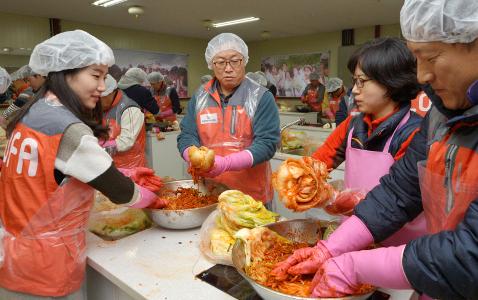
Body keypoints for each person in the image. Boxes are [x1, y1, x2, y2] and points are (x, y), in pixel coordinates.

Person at [273, 1, 478, 299]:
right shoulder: (440, 117)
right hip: (430, 280)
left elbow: (469, 254)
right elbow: (399, 194)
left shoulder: (413, 124)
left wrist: (355, 266)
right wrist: (329, 249)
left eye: (431, 57)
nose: (422, 76)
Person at [0, 30, 164, 299]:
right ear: (66, 73)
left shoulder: (33, 112)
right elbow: (122, 193)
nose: (103, 86)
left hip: (15, 257)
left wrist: (124, 171)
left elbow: (58, 171)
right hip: (47, 265)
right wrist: (155, 200)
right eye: (96, 75)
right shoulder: (67, 127)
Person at [311, 37, 424, 245]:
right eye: (355, 81)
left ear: (391, 82)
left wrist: (337, 200)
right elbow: (316, 165)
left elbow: (399, 200)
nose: (354, 90)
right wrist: (300, 178)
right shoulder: (352, 126)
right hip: (351, 238)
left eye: (361, 81)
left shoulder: (414, 133)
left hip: (395, 248)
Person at [177, 33, 280, 204]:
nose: (228, 68)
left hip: (251, 197)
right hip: (209, 193)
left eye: (234, 60)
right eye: (221, 62)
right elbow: (187, 135)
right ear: (212, 64)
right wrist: (192, 155)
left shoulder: (261, 97)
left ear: (244, 61)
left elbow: (267, 144)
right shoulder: (200, 97)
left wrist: (226, 163)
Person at [100, 74, 147, 168]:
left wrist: (100, 147)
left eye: (99, 98)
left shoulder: (130, 109)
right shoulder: (102, 109)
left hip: (131, 167)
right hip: (109, 165)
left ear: (110, 93)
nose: (96, 102)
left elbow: (126, 142)